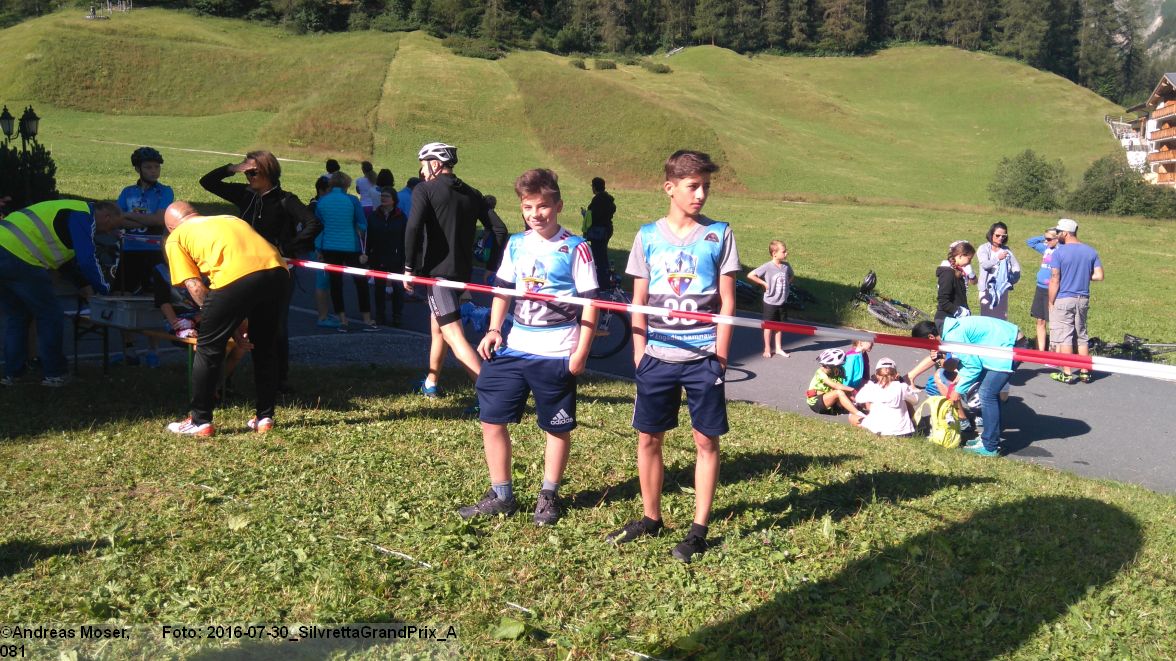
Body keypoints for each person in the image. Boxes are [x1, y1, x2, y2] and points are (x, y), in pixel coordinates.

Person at [605, 150, 739, 564]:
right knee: (649, 438)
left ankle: (698, 530)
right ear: (669, 187)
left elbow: (728, 302)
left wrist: (719, 356)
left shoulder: (720, 234)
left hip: (703, 358)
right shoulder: (647, 236)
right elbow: (639, 301)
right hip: (657, 356)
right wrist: (639, 353)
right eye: (692, 186)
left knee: (705, 440)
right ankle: (651, 518)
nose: (701, 195)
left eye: (706, 187)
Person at [460, 168, 599, 525]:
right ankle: (501, 495)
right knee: (491, 418)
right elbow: (503, 290)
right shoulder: (517, 244)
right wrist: (494, 329)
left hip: (557, 351)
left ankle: (548, 495)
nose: (536, 214)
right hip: (516, 346)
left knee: (556, 426)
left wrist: (581, 352)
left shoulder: (576, 248)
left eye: (543, 206)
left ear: (558, 206)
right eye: (527, 207)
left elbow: (591, 304)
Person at [162, 201, 289, 436]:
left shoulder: (176, 237)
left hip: (235, 278)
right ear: (195, 213)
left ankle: (200, 421)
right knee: (265, 346)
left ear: (170, 227)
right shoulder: (229, 218)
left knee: (208, 348)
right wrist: (233, 323)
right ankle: (265, 417)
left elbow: (194, 285)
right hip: (278, 271)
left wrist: (220, 320)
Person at [200, 150, 321, 393]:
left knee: (275, 327)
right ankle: (224, 379)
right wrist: (232, 168)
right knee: (232, 322)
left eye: (253, 172)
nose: (249, 176)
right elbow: (207, 182)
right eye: (246, 172)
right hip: (242, 271)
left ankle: (278, 380)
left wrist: (288, 246)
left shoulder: (286, 200)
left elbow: (313, 223)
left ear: (268, 172)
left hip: (275, 272)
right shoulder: (245, 195)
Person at [403, 142, 508, 397]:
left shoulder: (424, 190)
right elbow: (500, 229)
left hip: (438, 276)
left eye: (423, 166)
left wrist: (409, 267)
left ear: (435, 164)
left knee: (454, 336)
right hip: (462, 274)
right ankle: (431, 382)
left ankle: (493, 396)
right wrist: (491, 265)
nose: (422, 172)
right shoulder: (472, 193)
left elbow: (413, 228)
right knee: (439, 329)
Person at [0, 200, 125, 386]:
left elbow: (67, 265)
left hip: (4, 246)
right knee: (50, 315)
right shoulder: (83, 216)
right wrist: (105, 288)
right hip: (19, 255)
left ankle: (12, 374)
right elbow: (87, 260)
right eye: (112, 227)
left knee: (17, 316)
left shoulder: (69, 211)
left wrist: (84, 285)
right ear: (107, 217)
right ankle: (54, 373)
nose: (107, 232)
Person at [912, 317, 1021, 457]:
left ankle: (990, 447)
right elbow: (967, 362)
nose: (928, 350)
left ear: (931, 337)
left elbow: (973, 367)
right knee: (989, 393)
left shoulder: (953, 336)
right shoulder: (950, 331)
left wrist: (958, 391)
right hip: (1005, 343)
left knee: (987, 394)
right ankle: (989, 439)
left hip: (1010, 345)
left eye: (926, 346)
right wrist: (955, 374)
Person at [113, 146, 174, 367]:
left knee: (154, 300)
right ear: (138, 169)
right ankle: (129, 350)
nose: (154, 171)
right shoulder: (127, 192)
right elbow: (116, 220)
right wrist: (137, 219)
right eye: (148, 167)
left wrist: (128, 217)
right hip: (130, 252)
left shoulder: (165, 192)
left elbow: (159, 220)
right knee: (122, 298)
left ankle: (153, 351)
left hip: (154, 253)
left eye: (157, 167)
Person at [315, 171, 375, 332]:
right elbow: (362, 224)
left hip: (329, 246)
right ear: (347, 185)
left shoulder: (322, 201)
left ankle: (342, 320)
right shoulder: (352, 200)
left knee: (336, 284)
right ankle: (367, 319)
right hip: (351, 246)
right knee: (360, 282)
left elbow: (320, 222)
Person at [1048, 218, 1104, 384]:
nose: (1057, 235)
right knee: (1082, 335)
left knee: (1065, 336)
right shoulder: (1091, 251)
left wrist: (1051, 301)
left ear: (1065, 233)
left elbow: (1055, 278)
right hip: (1083, 298)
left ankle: (1067, 372)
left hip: (1064, 298)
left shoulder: (1059, 252)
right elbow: (1099, 275)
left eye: (1058, 232)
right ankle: (1084, 371)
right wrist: (1084, 275)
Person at [366, 187, 407, 326]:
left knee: (398, 288)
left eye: (386, 196)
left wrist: (405, 258)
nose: (383, 198)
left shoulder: (401, 217)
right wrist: (367, 254)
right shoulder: (374, 216)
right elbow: (369, 237)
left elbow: (405, 238)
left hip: (396, 257)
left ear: (394, 200)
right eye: (382, 196)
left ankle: (397, 316)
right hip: (378, 256)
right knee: (379, 287)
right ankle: (380, 315)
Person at [746, 239, 793, 358]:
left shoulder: (786, 266)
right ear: (774, 253)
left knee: (780, 326)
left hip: (782, 301)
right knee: (768, 326)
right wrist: (764, 283)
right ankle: (767, 348)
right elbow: (751, 275)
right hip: (770, 302)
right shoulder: (768, 267)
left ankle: (778, 348)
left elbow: (792, 275)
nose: (786, 253)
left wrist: (787, 284)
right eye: (784, 251)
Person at [850, 358, 918, 437]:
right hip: (903, 432)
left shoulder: (871, 387)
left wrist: (870, 383)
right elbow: (915, 400)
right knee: (905, 400)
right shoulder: (902, 387)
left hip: (880, 431)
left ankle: (869, 425)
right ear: (896, 375)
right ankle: (915, 422)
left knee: (852, 417)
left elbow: (858, 398)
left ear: (876, 375)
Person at [976, 222, 1021, 320]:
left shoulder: (1006, 250)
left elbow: (1016, 267)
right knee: (986, 316)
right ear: (991, 234)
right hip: (986, 289)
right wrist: (998, 258)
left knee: (1001, 317)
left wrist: (1011, 280)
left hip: (1001, 289)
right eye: (997, 235)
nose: (1001, 238)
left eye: (1003, 236)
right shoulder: (983, 248)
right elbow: (985, 265)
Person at [1026, 228, 1060, 352]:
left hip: (1052, 289)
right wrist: (1044, 237)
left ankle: (1054, 351)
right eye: (1046, 239)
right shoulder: (1046, 248)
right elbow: (1030, 242)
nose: (1047, 241)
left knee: (1054, 322)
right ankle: (1040, 351)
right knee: (1040, 320)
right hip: (1040, 287)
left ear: (1057, 238)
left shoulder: (1061, 251)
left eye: (1049, 239)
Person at [935, 240, 976, 331]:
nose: (970, 262)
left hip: (956, 320)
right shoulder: (947, 273)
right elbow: (943, 301)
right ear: (960, 256)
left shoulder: (957, 272)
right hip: (947, 321)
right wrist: (959, 311)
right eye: (969, 259)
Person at [805, 348, 858, 416]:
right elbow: (835, 385)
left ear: (836, 366)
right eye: (822, 365)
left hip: (829, 399)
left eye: (826, 366)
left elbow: (840, 386)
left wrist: (857, 399)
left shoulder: (841, 371)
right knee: (839, 392)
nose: (823, 367)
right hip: (815, 402)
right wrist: (852, 389)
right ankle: (857, 413)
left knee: (846, 391)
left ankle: (860, 405)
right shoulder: (820, 372)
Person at [584, 176, 616, 285]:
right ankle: (606, 278)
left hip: (598, 232)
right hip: (607, 229)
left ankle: (602, 281)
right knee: (603, 255)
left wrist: (585, 214)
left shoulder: (598, 200)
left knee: (598, 257)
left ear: (594, 187)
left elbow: (594, 217)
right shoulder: (608, 198)